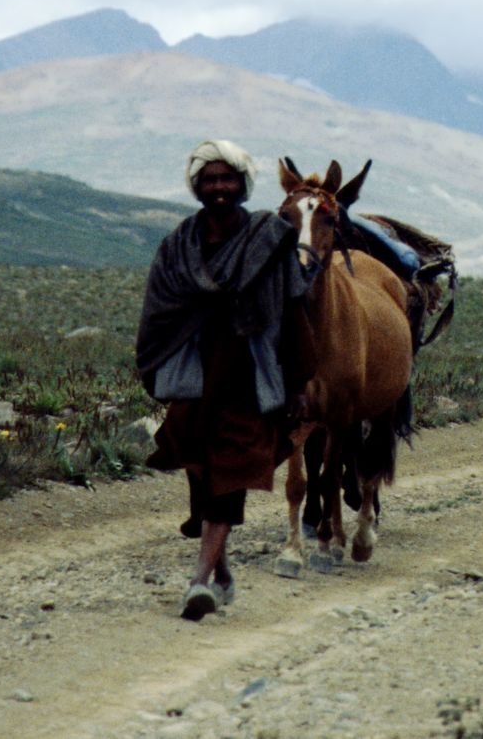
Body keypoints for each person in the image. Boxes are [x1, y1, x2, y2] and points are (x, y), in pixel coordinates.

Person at [136, 140, 315, 621]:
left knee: (231, 468)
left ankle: (199, 581)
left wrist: (298, 382)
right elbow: (158, 310)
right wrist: (154, 366)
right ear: (197, 186)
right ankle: (222, 566)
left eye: (227, 179)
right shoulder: (179, 245)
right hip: (195, 373)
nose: (219, 187)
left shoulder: (269, 238)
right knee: (198, 466)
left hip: (250, 373)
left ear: (243, 185)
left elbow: (295, 310)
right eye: (209, 179)